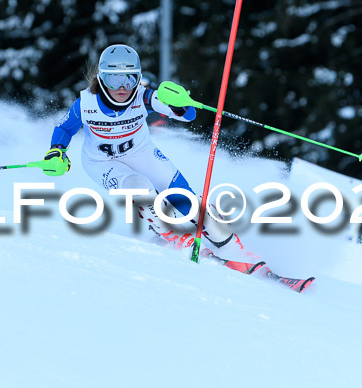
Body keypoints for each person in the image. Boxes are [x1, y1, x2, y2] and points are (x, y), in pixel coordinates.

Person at [42, 44, 251, 260]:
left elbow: (188, 116)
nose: (123, 87)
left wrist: (179, 104)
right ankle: (173, 235)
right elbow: (64, 128)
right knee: (140, 187)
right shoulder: (85, 104)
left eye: (130, 79)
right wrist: (56, 151)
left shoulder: (143, 97)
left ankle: (231, 247)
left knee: (184, 198)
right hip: (101, 162)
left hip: (140, 153)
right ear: (102, 78)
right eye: (114, 79)